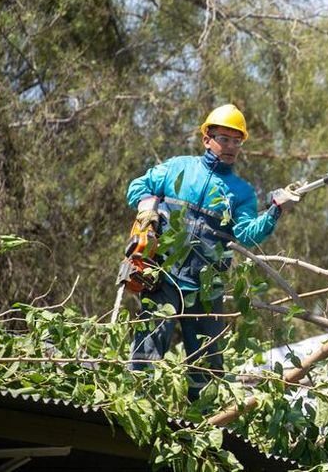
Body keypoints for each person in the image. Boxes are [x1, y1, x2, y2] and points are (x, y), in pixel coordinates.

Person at [125, 103, 300, 401]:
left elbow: (246, 234)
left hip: (206, 288)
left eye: (237, 141)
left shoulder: (241, 192)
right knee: (148, 352)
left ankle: (200, 427)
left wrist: (275, 210)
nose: (230, 146)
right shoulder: (178, 168)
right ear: (207, 138)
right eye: (224, 138)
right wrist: (147, 211)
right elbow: (137, 187)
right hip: (162, 275)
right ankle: (139, 408)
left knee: (207, 366)